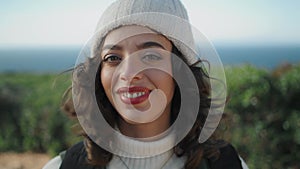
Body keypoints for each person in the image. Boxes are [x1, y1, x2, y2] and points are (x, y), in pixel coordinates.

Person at [43, 0, 248, 168]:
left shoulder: (226, 164)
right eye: (113, 58)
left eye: (150, 55)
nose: (129, 74)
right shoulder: (63, 166)